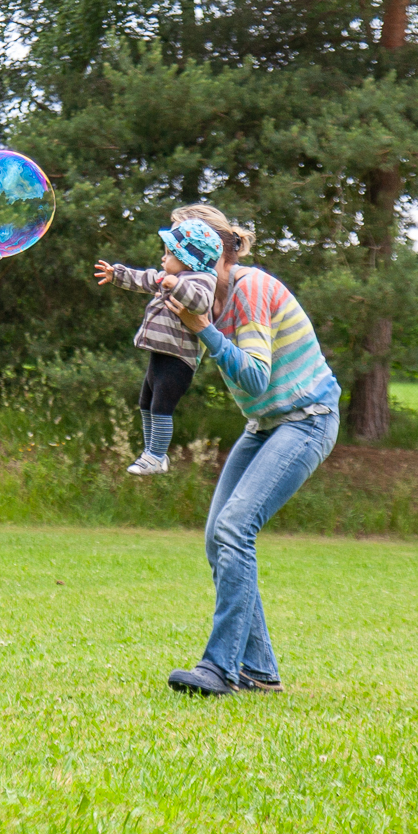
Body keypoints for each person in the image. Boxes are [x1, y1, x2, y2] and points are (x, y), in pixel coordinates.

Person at [160, 205, 341, 696]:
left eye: (180, 249)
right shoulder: (205, 299)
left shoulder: (252, 289)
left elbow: (255, 374)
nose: (169, 259)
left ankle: (219, 668)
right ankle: (259, 671)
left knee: (235, 528)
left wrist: (203, 330)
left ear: (214, 253)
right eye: (171, 250)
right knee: (216, 539)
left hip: (307, 418)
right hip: (264, 424)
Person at [93, 218, 222, 475]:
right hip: (161, 353)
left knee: (162, 404)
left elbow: (201, 303)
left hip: (180, 359)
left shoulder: (201, 278)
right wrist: (116, 274)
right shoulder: (168, 277)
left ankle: (156, 455)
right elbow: (145, 278)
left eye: (168, 254)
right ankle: (151, 453)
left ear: (187, 258)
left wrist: (178, 285)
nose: (163, 260)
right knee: (146, 401)